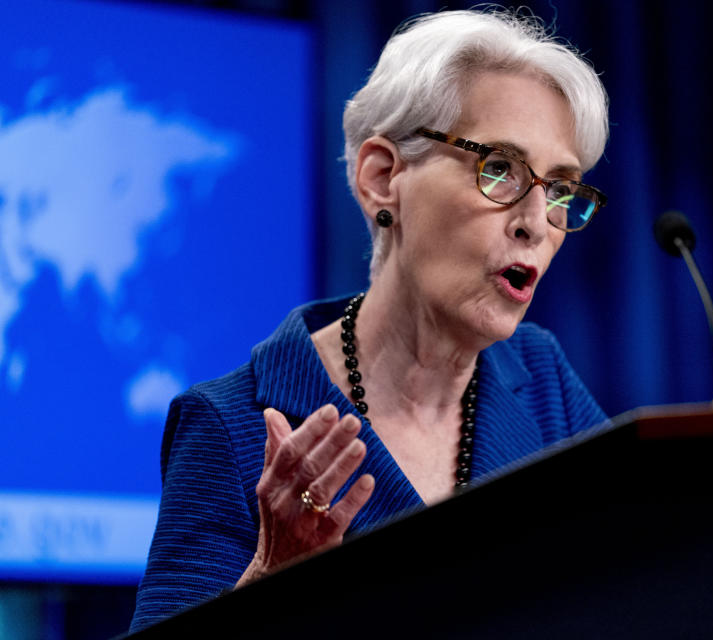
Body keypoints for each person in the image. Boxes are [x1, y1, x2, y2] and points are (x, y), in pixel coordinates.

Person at [130, 7, 610, 631]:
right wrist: (269, 583)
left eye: (561, 189)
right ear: (383, 177)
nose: (537, 221)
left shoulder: (541, 380)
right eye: (501, 170)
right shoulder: (234, 425)